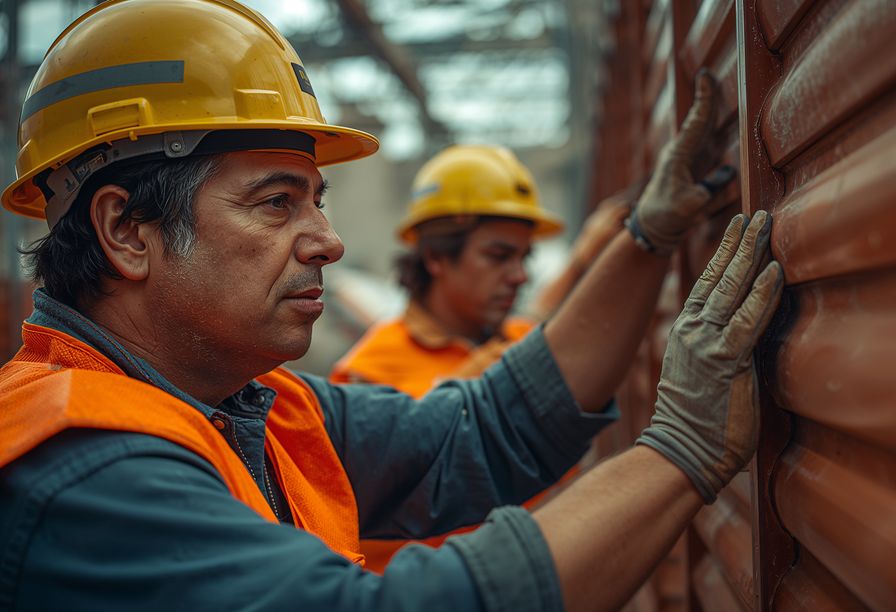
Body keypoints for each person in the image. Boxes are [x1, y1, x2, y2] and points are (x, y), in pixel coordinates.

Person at [0, 1, 784, 611]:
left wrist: (646, 236)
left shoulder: (259, 411)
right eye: (276, 203)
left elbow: (486, 430)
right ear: (125, 230)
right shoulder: (85, 469)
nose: (328, 242)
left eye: (316, 201)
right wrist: (681, 447)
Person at [328, 145, 629, 571]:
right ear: (435, 257)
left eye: (525, 257)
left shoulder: (517, 338)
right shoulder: (369, 374)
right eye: (499, 256)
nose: (520, 274)